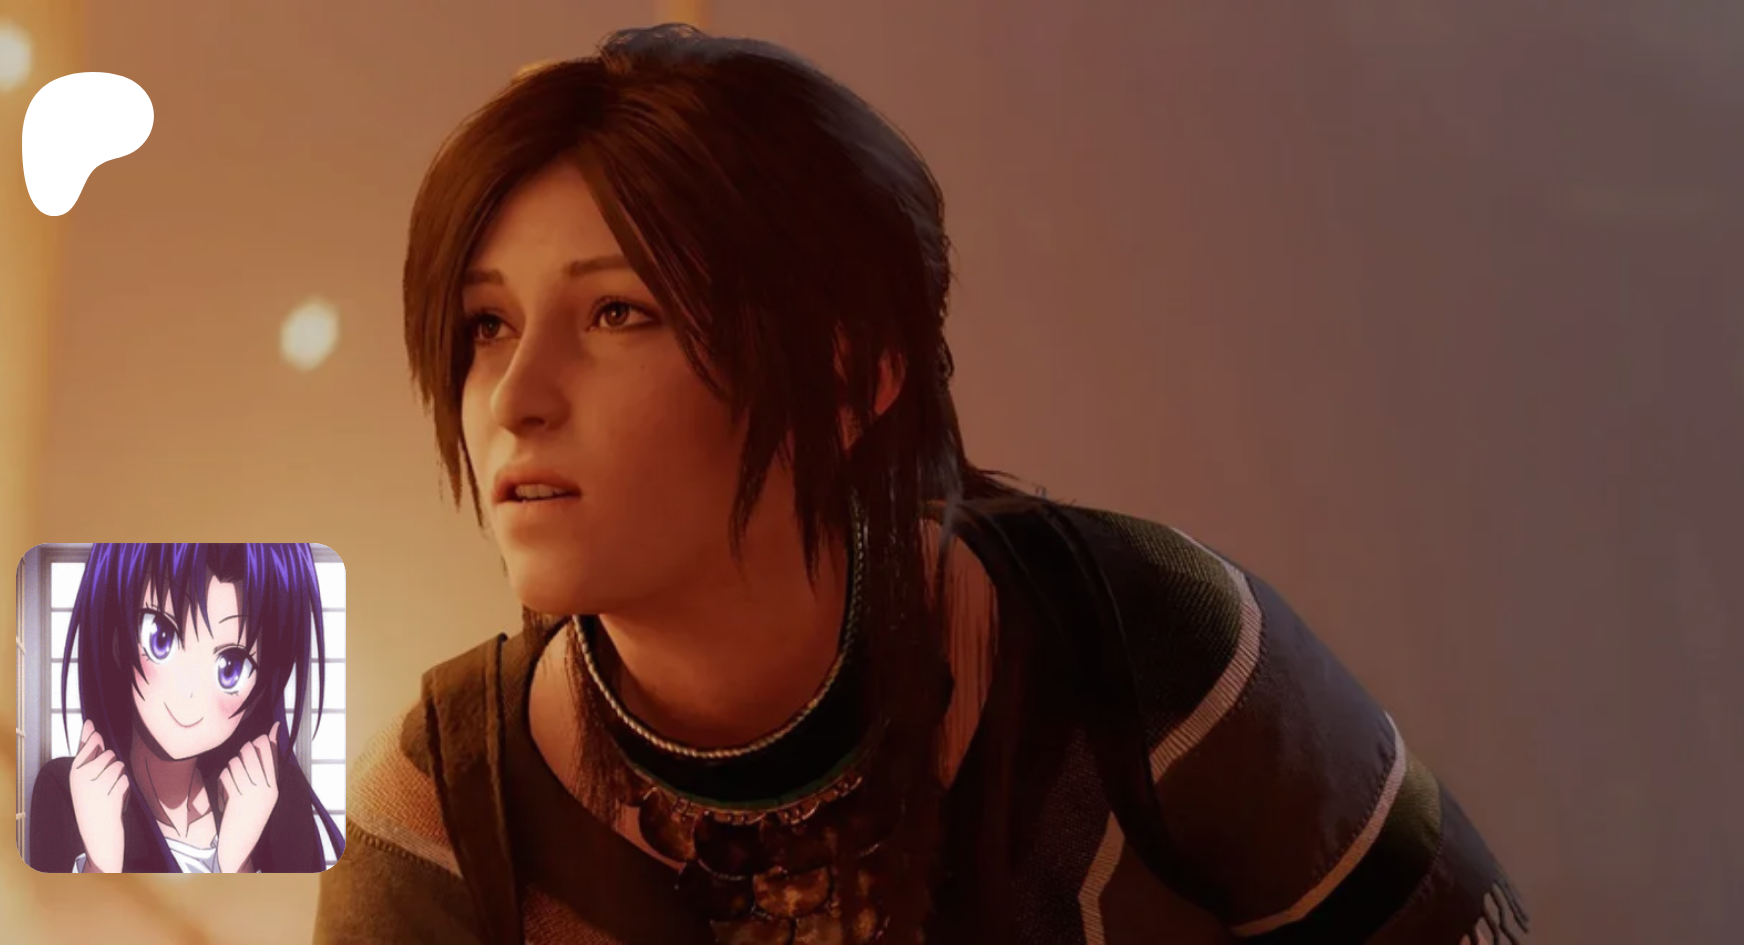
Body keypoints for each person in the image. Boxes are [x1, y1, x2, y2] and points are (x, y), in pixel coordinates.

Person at [316, 24, 1527, 944]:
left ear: (854, 374)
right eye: (486, 325)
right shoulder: (440, 812)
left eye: (618, 312)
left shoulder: (1153, 648)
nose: (516, 395)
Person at [28, 543, 343, 873]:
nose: (189, 694)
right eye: (161, 636)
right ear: (118, 640)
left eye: (231, 667)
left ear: (260, 689)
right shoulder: (68, 792)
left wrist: (238, 863)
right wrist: (99, 866)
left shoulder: (277, 798)